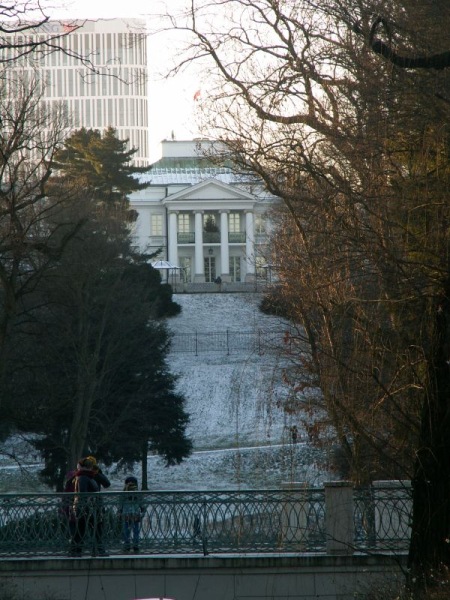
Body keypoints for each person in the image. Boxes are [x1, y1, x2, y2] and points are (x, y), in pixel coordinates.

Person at [69, 456, 109, 557]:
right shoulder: (82, 477)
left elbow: (107, 484)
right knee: (82, 529)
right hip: (86, 508)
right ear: (88, 467)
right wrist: (89, 502)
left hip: (91, 507)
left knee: (94, 528)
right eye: (91, 466)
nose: (93, 468)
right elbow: (83, 493)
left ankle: (81, 550)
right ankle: (77, 550)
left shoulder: (89, 476)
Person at [118, 476, 145, 553]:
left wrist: (119, 512)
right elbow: (142, 504)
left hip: (126, 514)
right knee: (135, 530)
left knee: (127, 530)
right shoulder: (137, 492)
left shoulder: (124, 492)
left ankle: (127, 546)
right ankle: (135, 546)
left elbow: (120, 504)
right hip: (135, 514)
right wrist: (142, 512)